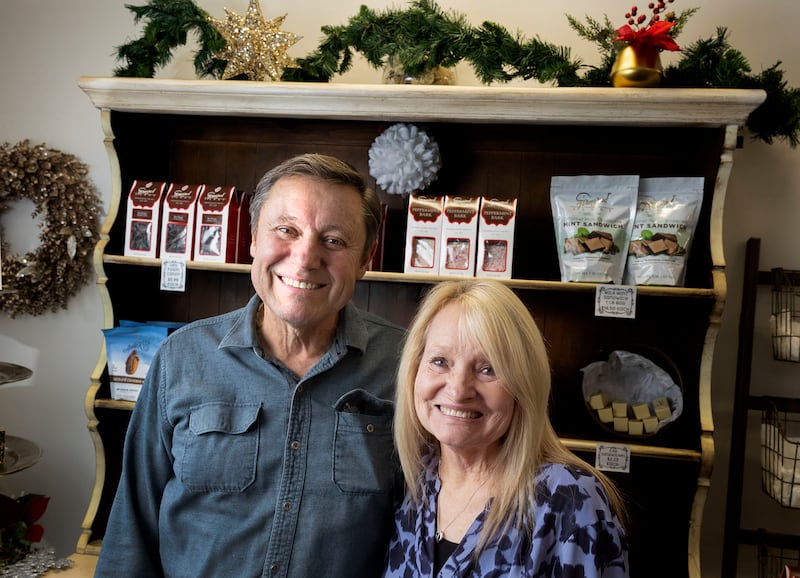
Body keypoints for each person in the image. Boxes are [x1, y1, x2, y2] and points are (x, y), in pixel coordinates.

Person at [95, 154, 405, 578]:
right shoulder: (181, 358)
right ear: (254, 239)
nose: (305, 257)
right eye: (286, 230)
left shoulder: (406, 366)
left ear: (366, 259)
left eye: (334, 240)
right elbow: (131, 528)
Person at [383, 279, 628, 577]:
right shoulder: (410, 485)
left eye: (488, 369)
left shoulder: (570, 501)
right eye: (440, 362)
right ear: (414, 370)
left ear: (523, 386)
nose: (458, 390)